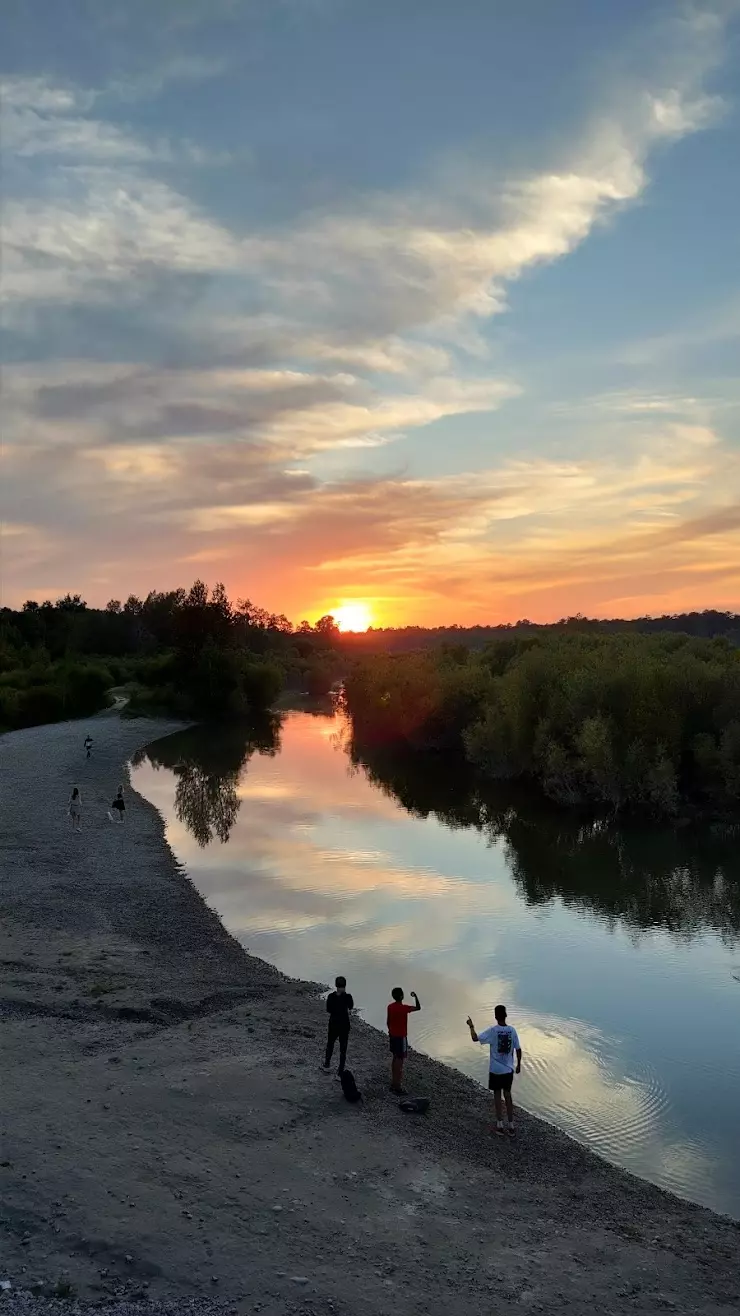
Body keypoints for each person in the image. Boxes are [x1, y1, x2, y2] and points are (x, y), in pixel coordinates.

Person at [466, 1005, 522, 1137]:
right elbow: (518, 1049)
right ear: (506, 1015)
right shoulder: (512, 1030)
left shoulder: (493, 1031)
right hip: (508, 1070)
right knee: (508, 1095)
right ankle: (512, 1126)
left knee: (497, 1096)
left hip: (496, 1070)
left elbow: (475, 1038)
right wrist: (519, 1064)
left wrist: (471, 1026)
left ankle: (500, 1126)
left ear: (496, 1016)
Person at [387, 987, 421, 1095]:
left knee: (395, 1058)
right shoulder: (404, 1008)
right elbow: (418, 1008)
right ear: (402, 996)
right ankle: (397, 1086)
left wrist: (390, 1031)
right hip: (401, 1037)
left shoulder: (390, 1007)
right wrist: (415, 996)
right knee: (400, 1061)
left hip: (392, 1036)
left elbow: (388, 1021)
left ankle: (393, 1083)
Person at [323, 976, 354, 1076]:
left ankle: (327, 1065)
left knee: (330, 1044)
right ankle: (340, 1071)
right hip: (344, 1025)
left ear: (336, 985)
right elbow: (351, 1006)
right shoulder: (348, 997)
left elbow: (328, 1010)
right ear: (345, 986)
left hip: (333, 1024)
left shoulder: (331, 997)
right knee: (343, 1049)